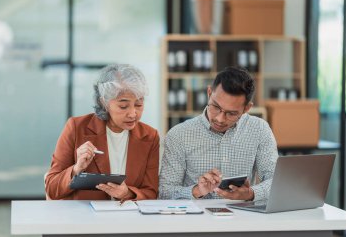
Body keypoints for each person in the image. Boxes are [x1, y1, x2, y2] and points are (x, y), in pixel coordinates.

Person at [159, 66, 278, 201]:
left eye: (231, 113)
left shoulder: (259, 129)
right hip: (195, 219)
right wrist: (197, 190)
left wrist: (251, 193)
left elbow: (276, 180)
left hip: (242, 218)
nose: (220, 119)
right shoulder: (178, 135)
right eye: (216, 107)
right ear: (209, 93)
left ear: (247, 108)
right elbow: (165, 192)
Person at [45, 64, 159, 201]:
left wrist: (127, 193)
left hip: (128, 218)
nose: (133, 113)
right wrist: (77, 169)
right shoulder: (76, 128)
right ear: (104, 102)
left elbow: (151, 192)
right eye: (123, 106)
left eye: (139, 104)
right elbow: (52, 189)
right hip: (84, 218)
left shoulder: (150, 136)